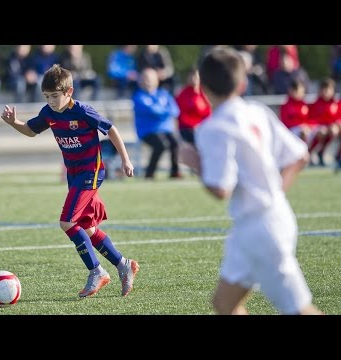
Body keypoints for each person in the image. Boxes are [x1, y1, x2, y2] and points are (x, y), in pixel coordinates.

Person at [179, 47, 323, 315]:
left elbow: (221, 188)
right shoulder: (257, 111)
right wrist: (274, 194)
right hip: (259, 223)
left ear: (204, 88)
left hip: (261, 231)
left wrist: (193, 160)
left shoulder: (213, 127)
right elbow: (300, 156)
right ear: (242, 82)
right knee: (224, 304)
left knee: (301, 310)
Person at [0, 64, 139, 298]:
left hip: (91, 172)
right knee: (87, 228)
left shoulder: (83, 111)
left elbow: (111, 129)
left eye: (55, 96)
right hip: (74, 174)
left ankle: (97, 271)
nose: (51, 101)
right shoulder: (49, 113)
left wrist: (126, 160)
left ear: (69, 91)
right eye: (47, 96)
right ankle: (124, 265)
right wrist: (14, 123)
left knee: (66, 221)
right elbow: (32, 131)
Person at [133, 67, 181, 179]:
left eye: (150, 79)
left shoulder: (163, 94)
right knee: (161, 145)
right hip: (147, 131)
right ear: (140, 81)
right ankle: (149, 173)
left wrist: (161, 110)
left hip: (165, 129)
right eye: (145, 78)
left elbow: (175, 110)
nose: (147, 81)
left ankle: (175, 173)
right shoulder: (139, 96)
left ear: (157, 80)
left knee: (176, 144)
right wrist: (165, 111)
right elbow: (153, 111)